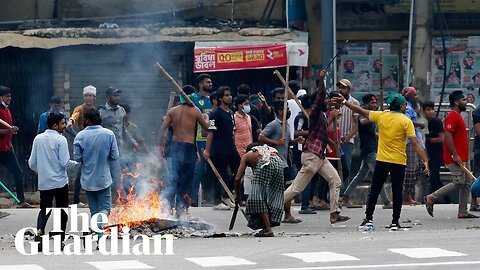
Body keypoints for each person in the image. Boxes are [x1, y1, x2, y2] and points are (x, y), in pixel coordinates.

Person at [332, 93, 429, 230]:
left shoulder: (382, 115)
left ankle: (368, 219)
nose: (406, 106)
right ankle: (395, 222)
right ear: (401, 106)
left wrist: (345, 102)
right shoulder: (405, 121)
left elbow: (360, 110)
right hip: (398, 161)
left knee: (374, 190)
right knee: (397, 191)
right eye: (404, 105)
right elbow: (415, 143)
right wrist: (425, 160)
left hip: (382, 159)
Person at [283, 71, 350, 224]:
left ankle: (334, 213)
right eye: (326, 99)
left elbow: (325, 134)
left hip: (319, 156)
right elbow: (320, 96)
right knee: (296, 188)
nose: (327, 101)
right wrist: (321, 80)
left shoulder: (322, 116)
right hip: (312, 155)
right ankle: (267, 207)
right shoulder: (315, 112)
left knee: (335, 181)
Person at [29, 112, 80, 250]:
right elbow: (65, 163)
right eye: (63, 123)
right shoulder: (60, 139)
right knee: (61, 211)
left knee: (44, 209)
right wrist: (78, 164)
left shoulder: (38, 139)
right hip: (59, 182)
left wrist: (43, 171)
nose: (64, 126)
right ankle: (59, 240)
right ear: (55, 125)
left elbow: (31, 163)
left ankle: (40, 230)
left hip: (44, 182)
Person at [425, 91, 479, 219]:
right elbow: (448, 136)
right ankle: (432, 197)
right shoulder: (452, 116)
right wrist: (455, 155)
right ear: (457, 102)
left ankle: (462, 211)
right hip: (455, 158)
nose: (466, 102)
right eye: (464, 100)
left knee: (467, 183)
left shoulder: (458, 116)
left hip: (463, 157)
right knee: (459, 182)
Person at [158, 92, 209, 217]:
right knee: (186, 181)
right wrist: (206, 117)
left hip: (175, 147)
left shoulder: (172, 111)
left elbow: (161, 131)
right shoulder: (195, 111)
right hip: (188, 148)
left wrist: (160, 145)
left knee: (174, 180)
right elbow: (205, 130)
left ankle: (168, 208)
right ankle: (181, 210)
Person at [341, 94, 392, 209]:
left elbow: (372, 133)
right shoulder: (364, 116)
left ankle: (345, 197)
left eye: (375, 103)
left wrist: (383, 137)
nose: (374, 105)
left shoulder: (372, 117)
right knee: (379, 175)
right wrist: (378, 116)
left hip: (371, 149)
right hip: (369, 150)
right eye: (372, 103)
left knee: (360, 176)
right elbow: (361, 123)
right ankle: (387, 202)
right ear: (366, 104)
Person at [74, 108, 119, 233]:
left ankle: (99, 237)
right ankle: (95, 230)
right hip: (103, 179)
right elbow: (115, 156)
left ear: (87, 120)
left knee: (94, 210)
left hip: (87, 180)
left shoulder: (80, 136)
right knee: (105, 209)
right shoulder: (109, 134)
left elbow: (78, 159)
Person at [259, 101, 303, 223]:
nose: (288, 111)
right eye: (286, 109)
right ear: (279, 111)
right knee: (288, 188)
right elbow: (261, 137)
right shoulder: (274, 124)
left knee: (285, 188)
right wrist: (276, 142)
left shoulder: (286, 125)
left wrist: (296, 141)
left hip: (285, 161)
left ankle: (284, 214)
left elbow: (287, 143)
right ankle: (285, 215)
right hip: (276, 161)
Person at [203, 86, 240, 210]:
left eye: (230, 95)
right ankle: (217, 201)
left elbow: (232, 133)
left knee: (239, 170)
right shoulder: (215, 114)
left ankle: (226, 194)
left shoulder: (230, 113)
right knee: (219, 175)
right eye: (226, 95)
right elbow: (210, 133)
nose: (229, 97)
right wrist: (207, 150)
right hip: (218, 149)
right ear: (220, 98)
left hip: (230, 148)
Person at [235, 143, 284, 237]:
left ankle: (268, 229)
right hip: (279, 162)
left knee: (258, 198)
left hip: (265, 163)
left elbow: (238, 178)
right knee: (274, 194)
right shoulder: (264, 150)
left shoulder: (246, 156)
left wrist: (237, 195)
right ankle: (266, 226)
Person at [99, 87, 139, 201]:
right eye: (114, 95)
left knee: (121, 175)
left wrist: (133, 142)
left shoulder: (122, 111)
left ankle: (123, 199)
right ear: (107, 97)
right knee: (107, 176)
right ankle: (112, 199)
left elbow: (123, 130)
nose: (117, 97)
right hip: (106, 151)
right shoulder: (101, 112)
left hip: (119, 150)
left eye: (118, 95)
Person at [0, 86, 33, 208]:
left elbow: (7, 130)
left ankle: (21, 201)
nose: (9, 98)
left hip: (7, 150)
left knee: (18, 174)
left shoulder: (7, 111)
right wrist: (8, 131)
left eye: (10, 96)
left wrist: (10, 141)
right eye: (6, 96)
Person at [67, 85, 97, 206]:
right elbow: (73, 118)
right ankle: (76, 201)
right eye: (86, 95)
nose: (88, 98)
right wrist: (71, 122)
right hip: (84, 144)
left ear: (94, 97)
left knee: (95, 172)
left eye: (90, 96)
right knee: (81, 172)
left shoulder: (96, 111)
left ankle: (94, 199)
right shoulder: (79, 109)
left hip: (95, 144)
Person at [191, 74, 213, 206]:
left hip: (212, 138)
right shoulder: (195, 100)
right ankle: (192, 199)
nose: (210, 84)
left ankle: (210, 198)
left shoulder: (213, 99)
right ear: (200, 84)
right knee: (199, 170)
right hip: (200, 139)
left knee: (211, 170)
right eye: (207, 82)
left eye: (211, 82)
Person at [402, 87, 426, 205]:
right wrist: (419, 124)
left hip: (416, 141)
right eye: (414, 94)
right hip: (410, 142)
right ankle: (406, 195)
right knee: (411, 169)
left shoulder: (412, 107)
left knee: (419, 169)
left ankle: (407, 194)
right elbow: (406, 122)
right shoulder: (406, 107)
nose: (416, 97)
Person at [422, 101, 450, 203]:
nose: (431, 112)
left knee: (433, 177)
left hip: (437, 154)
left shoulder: (437, 122)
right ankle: (447, 199)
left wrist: (429, 140)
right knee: (436, 179)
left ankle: (434, 199)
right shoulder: (424, 123)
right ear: (423, 111)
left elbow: (441, 139)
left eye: (432, 109)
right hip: (428, 154)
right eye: (428, 110)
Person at [337, 79, 359, 191]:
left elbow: (357, 124)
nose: (341, 90)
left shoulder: (354, 103)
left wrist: (349, 136)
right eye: (339, 87)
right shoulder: (335, 101)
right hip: (334, 140)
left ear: (349, 89)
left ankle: (345, 193)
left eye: (343, 87)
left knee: (346, 167)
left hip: (347, 140)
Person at [471, 105, 480, 211]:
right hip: (479, 148)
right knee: (477, 174)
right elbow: (478, 130)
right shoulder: (477, 111)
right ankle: (474, 202)